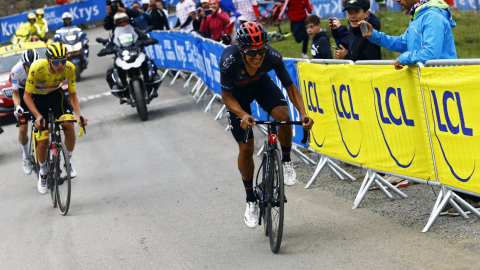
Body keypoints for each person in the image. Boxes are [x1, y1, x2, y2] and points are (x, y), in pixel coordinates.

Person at [220, 22, 314, 228]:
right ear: (242, 50)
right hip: (237, 98)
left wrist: (304, 114)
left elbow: (291, 87)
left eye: (261, 50)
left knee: (283, 116)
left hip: (261, 86)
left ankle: (287, 161)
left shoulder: (271, 56)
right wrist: (243, 115)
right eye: (252, 51)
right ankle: (250, 199)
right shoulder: (229, 60)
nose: (257, 56)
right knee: (246, 149)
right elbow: (226, 97)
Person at [23, 43, 87, 194]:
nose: (61, 65)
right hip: (37, 100)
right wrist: (38, 116)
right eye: (57, 62)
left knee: (69, 126)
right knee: (43, 142)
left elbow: (72, 95)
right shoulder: (37, 68)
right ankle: (43, 173)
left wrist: (79, 116)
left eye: (63, 61)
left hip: (56, 96)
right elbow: (27, 96)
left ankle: (68, 163)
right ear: (48, 60)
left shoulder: (70, 68)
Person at [362, 0, 456, 69]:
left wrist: (405, 57)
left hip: (441, 83)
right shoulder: (419, 16)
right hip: (427, 81)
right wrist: (374, 35)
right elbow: (401, 43)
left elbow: (431, 54)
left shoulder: (433, 17)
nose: (396, 0)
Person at [11, 49, 41, 174]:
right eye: (29, 66)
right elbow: (15, 93)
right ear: (24, 65)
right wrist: (18, 106)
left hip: (37, 92)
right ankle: (26, 156)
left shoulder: (41, 68)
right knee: (23, 129)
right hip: (22, 94)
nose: (31, 69)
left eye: (33, 66)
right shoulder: (16, 71)